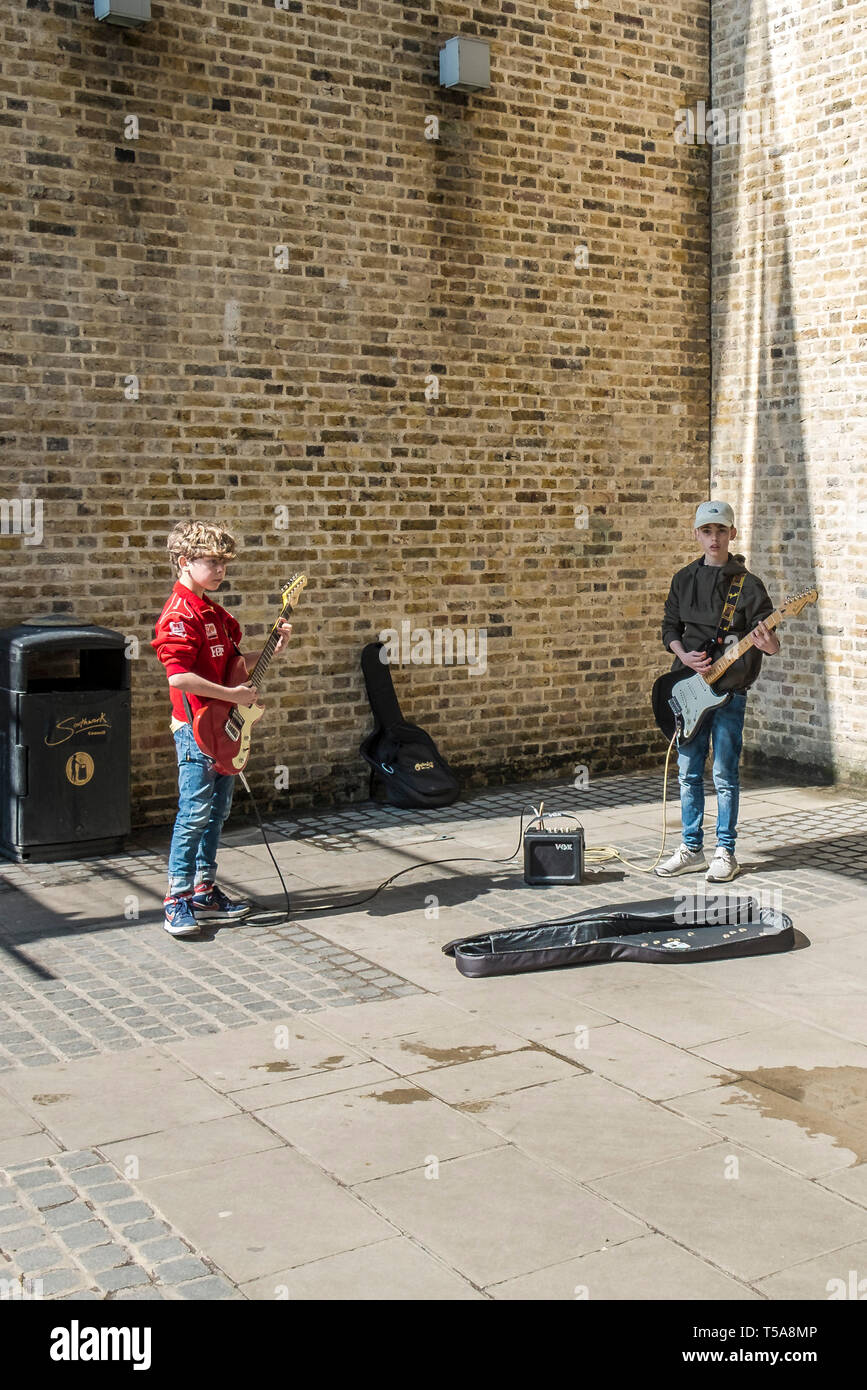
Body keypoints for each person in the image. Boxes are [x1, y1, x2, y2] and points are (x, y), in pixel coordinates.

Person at [151, 521, 292, 938]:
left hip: (226, 727)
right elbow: (178, 678)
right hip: (195, 730)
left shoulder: (216, 613)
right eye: (211, 562)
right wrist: (232, 697)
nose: (220, 570)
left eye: (224, 563)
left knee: (217, 813)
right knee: (193, 814)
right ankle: (176, 899)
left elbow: (233, 666)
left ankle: (204, 890)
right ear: (183, 562)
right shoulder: (178, 615)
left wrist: (271, 650)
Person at [655, 501, 779, 883]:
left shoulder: (749, 585)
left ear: (732, 534)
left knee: (725, 773)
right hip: (688, 689)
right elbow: (669, 629)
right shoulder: (683, 579)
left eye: (721, 530)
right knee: (689, 771)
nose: (714, 537)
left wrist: (766, 640)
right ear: (696, 534)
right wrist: (684, 656)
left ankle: (725, 851)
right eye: (706, 531)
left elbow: (771, 646)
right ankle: (691, 848)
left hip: (729, 694)